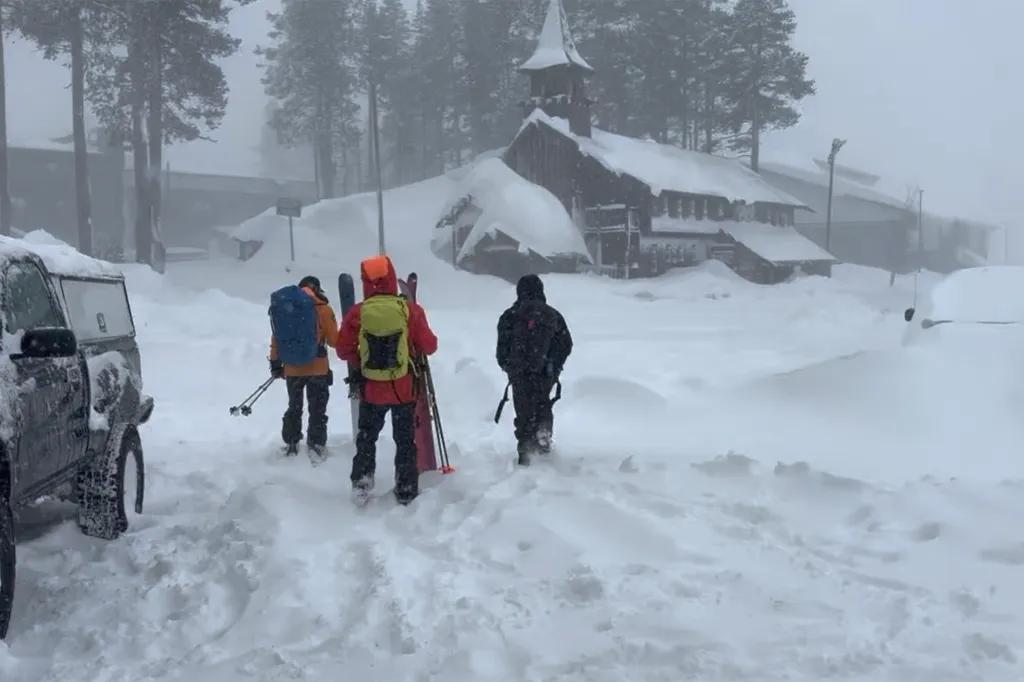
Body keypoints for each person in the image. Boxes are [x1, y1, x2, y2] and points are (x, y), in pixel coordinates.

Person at [336, 255, 438, 505]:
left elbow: (342, 349)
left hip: (372, 388)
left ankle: (361, 481)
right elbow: (430, 345)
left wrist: (362, 361)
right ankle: (406, 487)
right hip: (403, 387)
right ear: (392, 277)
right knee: (405, 438)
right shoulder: (409, 310)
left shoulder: (358, 312)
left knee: (367, 436)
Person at [496, 274, 573, 466]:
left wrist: (508, 366)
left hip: (519, 371)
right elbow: (566, 343)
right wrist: (554, 366)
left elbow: (502, 349)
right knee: (543, 402)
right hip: (544, 371)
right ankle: (543, 431)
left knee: (523, 408)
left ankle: (525, 448)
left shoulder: (510, 316)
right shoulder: (552, 314)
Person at [269, 275, 339, 457]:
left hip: (292, 368)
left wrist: (275, 363)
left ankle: (292, 441)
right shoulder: (323, 310)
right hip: (318, 368)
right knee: (317, 409)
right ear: (317, 289)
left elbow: (278, 337)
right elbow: (333, 341)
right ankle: (316, 444)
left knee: (294, 406)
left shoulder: (286, 309)